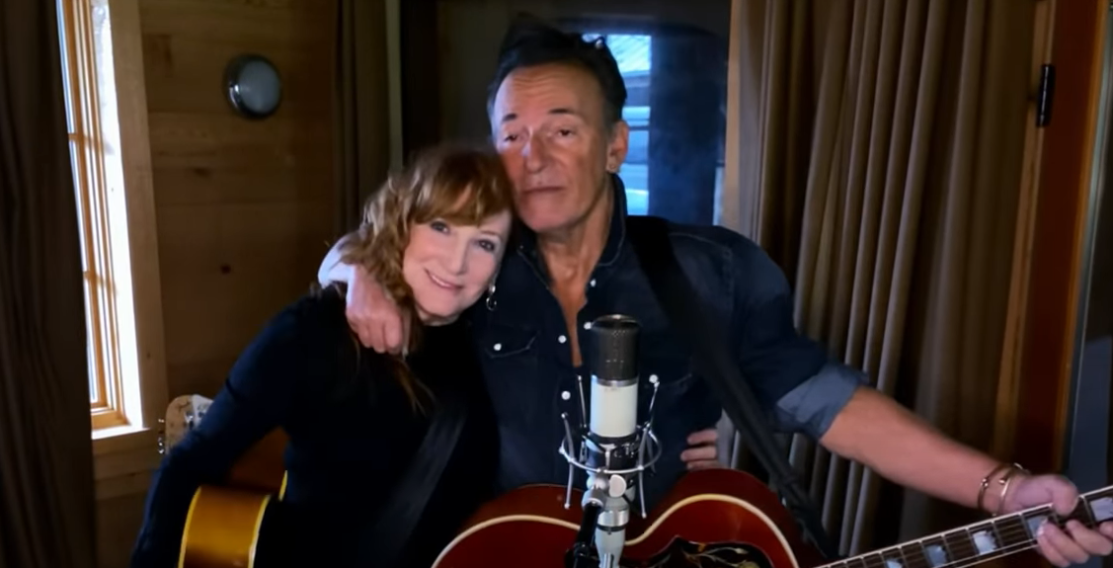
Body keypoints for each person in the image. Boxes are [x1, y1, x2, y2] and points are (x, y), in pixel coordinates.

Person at [318, 19, 1113, 568]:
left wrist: (1005, 488)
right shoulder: (465, 264)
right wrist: (351, 271)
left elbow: (830, 405)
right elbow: (368, 258)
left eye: (561, 129)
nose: (533, 157)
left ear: (615, 144)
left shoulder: (710, 271)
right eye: (511, 134)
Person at [130, 144, 515, 568]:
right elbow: (188, 468)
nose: (457, 263)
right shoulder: (317, 330)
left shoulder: (493, 343)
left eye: (484, 243)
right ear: (403, 222)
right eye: (441, 227)